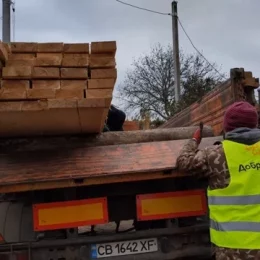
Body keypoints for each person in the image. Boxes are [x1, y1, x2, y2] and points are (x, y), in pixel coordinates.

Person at [176, 101, 260, 260]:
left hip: (233, 251)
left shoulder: (216, 156)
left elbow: (184, 163)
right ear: (255, 124)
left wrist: (194, 141)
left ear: (227, 126)